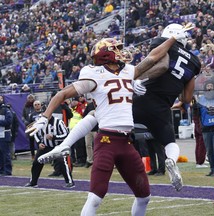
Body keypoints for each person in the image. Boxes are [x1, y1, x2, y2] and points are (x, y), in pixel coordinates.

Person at [27, 34, 182, 215]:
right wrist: (45, 118)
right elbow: (62, 94)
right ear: (106, 54)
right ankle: (65, 145)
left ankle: (64, 145)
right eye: (116, 49)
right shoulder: (94, 74)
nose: (121, 52)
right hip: (106, 141)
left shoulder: (128, 71)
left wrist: (172, 39)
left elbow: (153, 58)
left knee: (144, 196)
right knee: (95, 198)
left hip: (126, 143)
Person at [132, 23, 201, 191]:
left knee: (100, 120)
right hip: (162, 107)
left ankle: (66, 144)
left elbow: (159, 63)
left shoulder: (164, 44)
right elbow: (186, 97)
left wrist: (134, 78)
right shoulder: (194, 62)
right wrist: (175, 85)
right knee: (170, 143)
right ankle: (170, 160)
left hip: (142, 96)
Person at [24, 115, 74, 188]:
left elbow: (66, 134)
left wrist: (54, 137)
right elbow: (35, 133)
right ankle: (33, 182)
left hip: (56, 146)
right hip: (45, 146)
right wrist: (39, 143)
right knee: (36, 162)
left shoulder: (58, 122)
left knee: (61, 162)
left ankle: (69, 182)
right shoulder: (40, 121)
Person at [0, 95, 13, 176]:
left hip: (4, 135)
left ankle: (7, 170)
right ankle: (1, 170)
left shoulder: (6, 109)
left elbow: (9, 121)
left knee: (6, 153)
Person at [22, 94, 36, 159]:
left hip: (36, 125)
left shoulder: (36, 105)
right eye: (29, 98)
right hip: (29, 126)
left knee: (39, 140)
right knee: (31, 141)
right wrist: (25, 121)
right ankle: (32, 155)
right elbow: (23, 116)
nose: (30, 99)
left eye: (31, 98)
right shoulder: (25, 106)